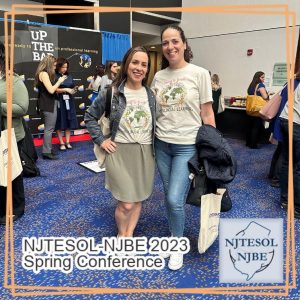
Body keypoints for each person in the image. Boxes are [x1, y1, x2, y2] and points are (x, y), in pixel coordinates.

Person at [151, 25, 216, 270]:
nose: (170, 47)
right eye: (165, 43)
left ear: (185, 44)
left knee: (173, 198)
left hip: (186, 146)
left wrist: (214, 147)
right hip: (161, 144)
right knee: (171, 199)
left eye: (175, 41)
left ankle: (176, 245)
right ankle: (174, 236)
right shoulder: (158, 76)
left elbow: (207, 113)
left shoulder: (199, 74)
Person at [84, 46, 156, 238]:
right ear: (126, 65)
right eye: (135, 62)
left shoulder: (151, 95)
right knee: (126, 203)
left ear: (147, 69)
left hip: (146, 153)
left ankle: (129, 234)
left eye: (144, 64)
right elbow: (89, 117)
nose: (139, 68)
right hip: (119, 152)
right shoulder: (111, 92)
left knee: (138, 198)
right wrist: (101, 141)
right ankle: (121, 234)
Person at [0, 41, 29, 224]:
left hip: (9, 135)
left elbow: (22, 107)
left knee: (12, 172)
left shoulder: (12, 79)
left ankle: (16, 208)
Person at [34, 55, 67, 159]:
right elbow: (51, 90)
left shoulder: (44, 74)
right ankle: (46, 152)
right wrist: (59, 81)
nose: (55, 67)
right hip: (48, 104)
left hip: (49, 103)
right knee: (49, 129)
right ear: (48, 64)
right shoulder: (43, 74)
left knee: (50, 128)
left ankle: (48, 149)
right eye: (53, 65)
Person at [278, 70, 300, 218]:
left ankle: (285, 200)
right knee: (298, 166)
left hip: (285, 120)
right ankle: (297, 208)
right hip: (296, 124)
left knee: (287, 161)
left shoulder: (296, 82)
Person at [55, 57, 78, 150]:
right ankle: (61, 142)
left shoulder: (69, 76)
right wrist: (65, 89)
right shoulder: (54, 75)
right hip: (59, 100)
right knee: (59, 120)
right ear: (58, 66)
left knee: (69, 120)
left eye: (66, 67)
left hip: (69, 100)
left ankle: (68, 141)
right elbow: (53, 89)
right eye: (63, 67)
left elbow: (73, 86)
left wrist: (74, 90)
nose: (65, 69)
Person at [246, 71, 269, 149]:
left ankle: (248, 143)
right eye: (262, 77)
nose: (263, 79)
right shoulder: (260, 85)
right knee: (256, 127)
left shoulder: (251, 85)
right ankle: (253, 145)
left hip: (250, 109)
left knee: (250, 126)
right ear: (258, 77)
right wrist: (268, 94)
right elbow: (265, 97)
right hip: (257, 109)